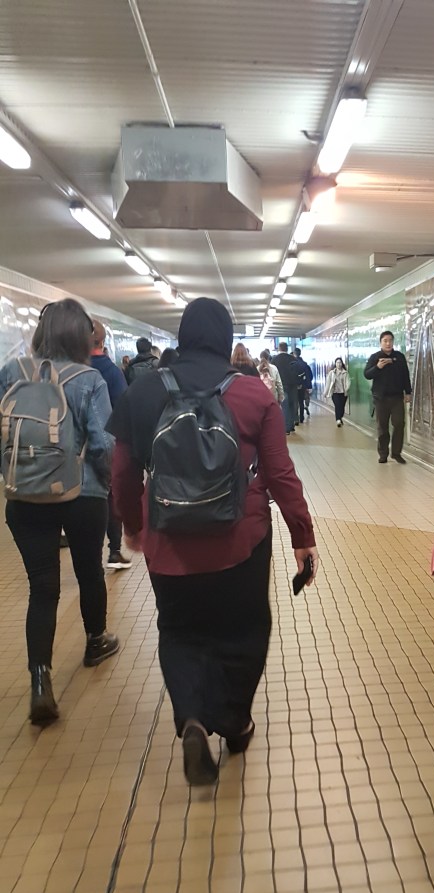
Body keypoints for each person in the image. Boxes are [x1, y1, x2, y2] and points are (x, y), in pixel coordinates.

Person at [109, 298, 319, 786]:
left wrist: (133, 524)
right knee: (244, 631)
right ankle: (235, 721)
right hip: (239, 542)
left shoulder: (142, 392)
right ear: (226, 340)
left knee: (180, 630)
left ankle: (193, 718)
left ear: (182, 336)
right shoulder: (253, 395)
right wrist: (302, 536)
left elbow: (121, 471)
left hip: (168, 541)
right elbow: (280, 473)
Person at [0, 299, 120, 727]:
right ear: (81, 337)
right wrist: (106, 486)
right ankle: (95, 640)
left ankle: (39, 679)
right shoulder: (89, 379)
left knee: (42, 587)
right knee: (90, 570)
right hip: (82, 493)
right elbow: (104, 444)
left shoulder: (12, 374)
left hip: (26, 497)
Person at [90, 319, 131, 570]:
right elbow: (124, 410)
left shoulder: (68, 371)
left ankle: (87, 551)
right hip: (108, 444)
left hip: (73, 453)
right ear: (103, 342)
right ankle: (114, 549)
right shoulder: (113, 372)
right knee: (110, 497)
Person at [363, 331, 412, 463]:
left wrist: (408, 392)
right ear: (380, 342)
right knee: (382, 427)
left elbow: (405, 375)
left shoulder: (399, 357)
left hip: (396, 398)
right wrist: (378, 367)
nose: (388, 343)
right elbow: (367, 374)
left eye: (390, 340)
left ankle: (396, 453)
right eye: (385, 340)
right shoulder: (375, 357)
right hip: (381, 399)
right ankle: (383, 453)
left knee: (399, 424)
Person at [272, 341, 300, 434]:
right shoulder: (292, 358)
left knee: (285, 405)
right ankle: (291, 426)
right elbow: (297, 372)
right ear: (287, 348)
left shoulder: (275, 359)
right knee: (292, 404)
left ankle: (286, 428)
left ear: (279, 348)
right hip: (293, 385)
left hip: (282, 385)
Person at [323, 357, 350, 426]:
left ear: (342, 364)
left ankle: (340, 417)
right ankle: (338, 420)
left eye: (340, 362)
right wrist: (325, 393)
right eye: (337, 363)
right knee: (337, 406)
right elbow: (328, 384)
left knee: (342, 407)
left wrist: (346, 388)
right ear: (335, 364)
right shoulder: (331, 373)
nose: (339, 364)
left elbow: (348, 382)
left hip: (343, 393)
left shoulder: (345, 373)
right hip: (335, 393)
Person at [293, 347, 313, 423]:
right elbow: (309, 376)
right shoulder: (305, 364)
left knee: (295, 402)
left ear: (294, 354)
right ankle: (302, 417)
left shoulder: (292, 364)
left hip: (294, 386)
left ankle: (296, 418)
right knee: (301, 401)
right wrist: (309, 386)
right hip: (303, 385)